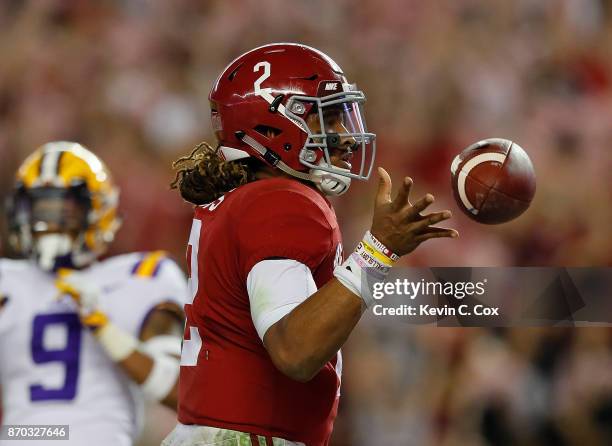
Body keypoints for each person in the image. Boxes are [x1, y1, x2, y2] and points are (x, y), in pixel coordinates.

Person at [163, 43, 458, 446]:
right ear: (271, 127)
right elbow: (295, 350)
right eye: (327, 119)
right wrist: (378, 251)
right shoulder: (281, 200)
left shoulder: (241, 200)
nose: (345, 138)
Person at [0, 141, 187, 445]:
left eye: (64, 211)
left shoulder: (143, 274)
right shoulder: (7, 280)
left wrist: (104, 327)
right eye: (38, 210)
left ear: (98, 209)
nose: (48, 224)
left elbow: (182, 395)